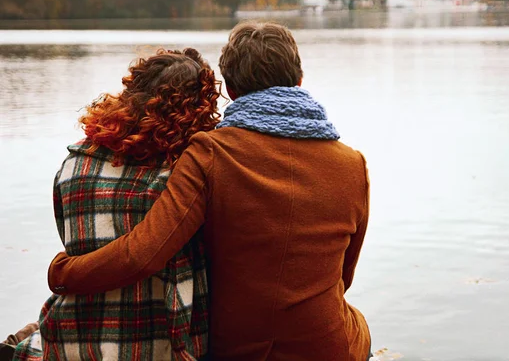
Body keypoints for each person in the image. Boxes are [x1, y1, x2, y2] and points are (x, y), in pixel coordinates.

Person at [47, 22, 372, 361]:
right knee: (356, 322)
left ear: (230, 89)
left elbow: (144, 253)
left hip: (237, 348)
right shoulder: (353, 164)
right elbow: (343, 277)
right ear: (300, 81)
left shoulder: (209, 153)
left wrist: (62, 274)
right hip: (328, 345)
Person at [4, 48, 220, 360]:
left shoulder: (74, 164)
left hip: (72, 339)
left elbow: (71, 241)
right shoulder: (182, 176)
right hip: (155, 344)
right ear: (196, 111)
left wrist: (62, 275)